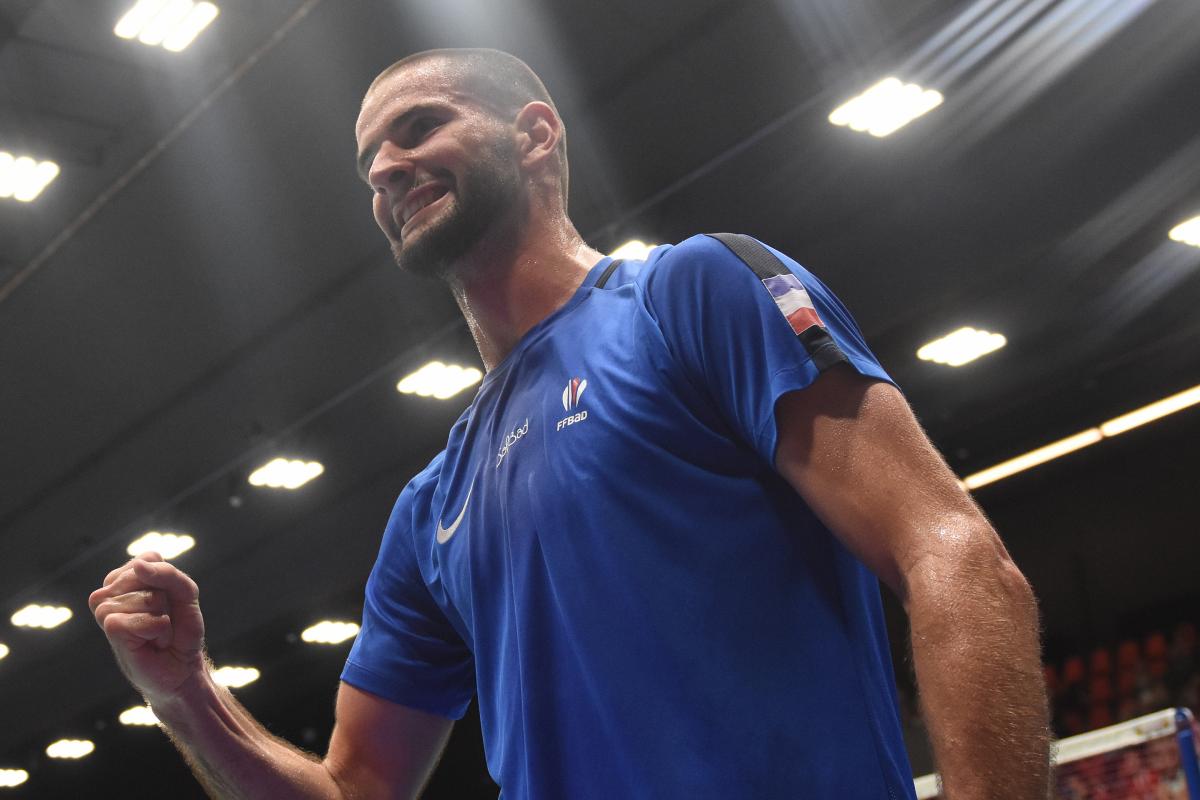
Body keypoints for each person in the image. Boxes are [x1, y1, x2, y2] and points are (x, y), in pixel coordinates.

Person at [89, 48, 1051, 799]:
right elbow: (355, 788)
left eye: (420, 126)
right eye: (370, 161)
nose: (386, 167)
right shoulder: (433, 507)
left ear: (536, 135)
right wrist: (184, 694)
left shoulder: (690, 292)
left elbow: (953, 556)